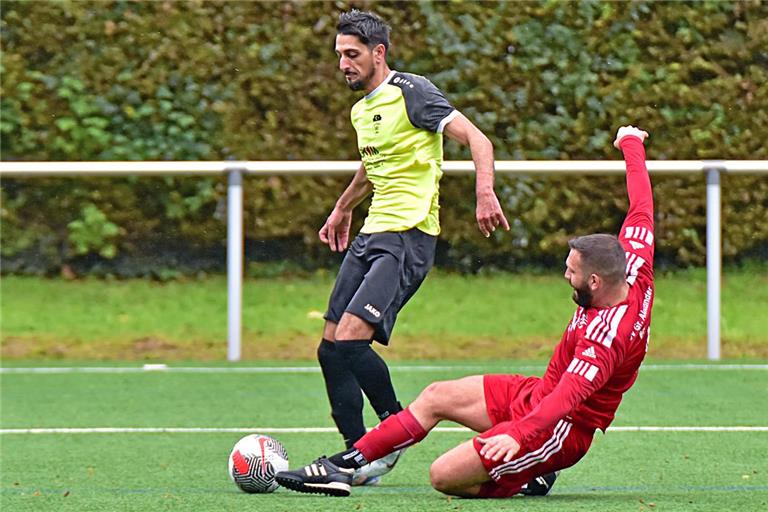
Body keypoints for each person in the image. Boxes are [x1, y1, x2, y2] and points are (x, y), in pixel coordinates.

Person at [277, 125, 655, 498]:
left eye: (571, 271)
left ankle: (528, 473)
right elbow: (642, 208)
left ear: (594, 282)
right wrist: (631, 144)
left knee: (443, 475)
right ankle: (344, 465)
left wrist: (517, 434)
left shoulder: (605, 339)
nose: (564, 274)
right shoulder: (632, 265)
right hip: (537, 395)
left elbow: (566, 400)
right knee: (436, 395)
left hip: (558, 428)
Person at [314, 10, 510, 485]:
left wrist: (484, 191)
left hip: (407, 237)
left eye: (353, 54)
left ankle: (393, 434)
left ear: (378, 53)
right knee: (329, 349)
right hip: (372, 235)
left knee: (352, 340)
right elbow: (373, 166)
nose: (344, 63)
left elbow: (478, 140)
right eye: (339, 55)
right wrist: (342, 209)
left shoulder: (413, 91)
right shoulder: (361, 110)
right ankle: (357, 457)